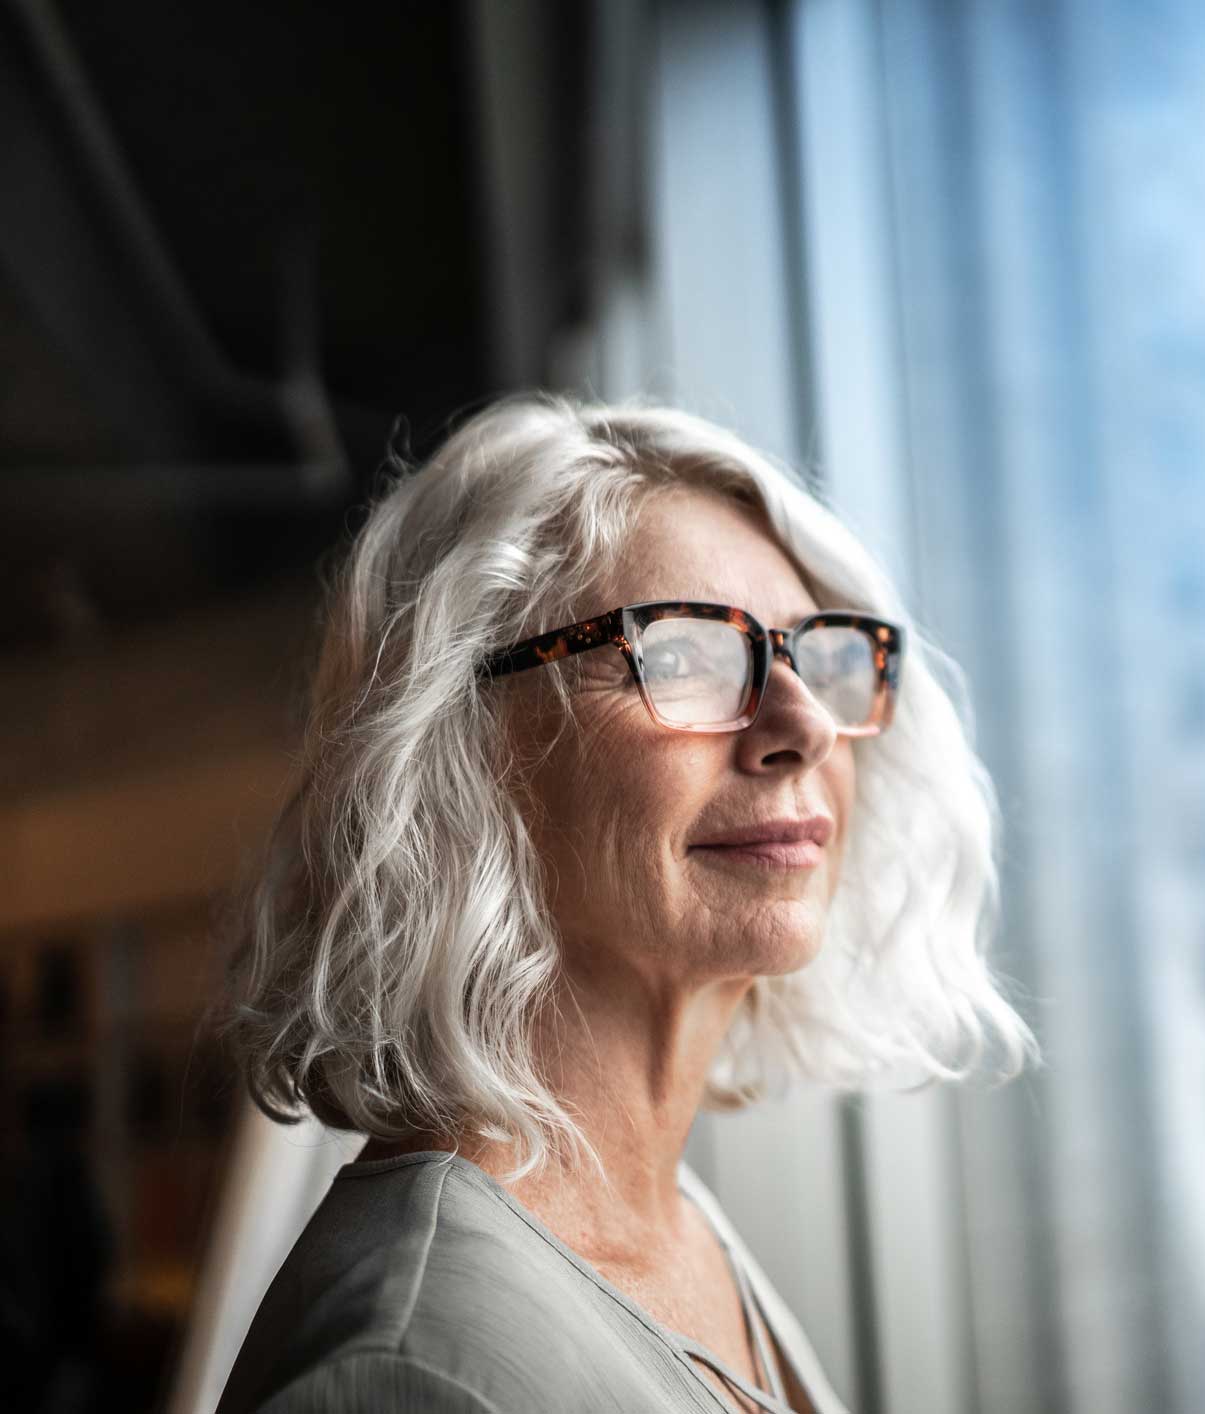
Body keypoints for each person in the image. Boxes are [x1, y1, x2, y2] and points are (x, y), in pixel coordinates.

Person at [208, 396, 1037, 1413]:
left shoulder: (658, 1223)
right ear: (462, 745)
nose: (803, 727)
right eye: (682, 656)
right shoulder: (411, 1366)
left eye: (815, 656)